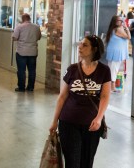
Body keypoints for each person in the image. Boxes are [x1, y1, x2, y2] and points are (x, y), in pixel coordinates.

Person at [49, 35, 111, 168]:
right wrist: (54, 121)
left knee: (86, 162)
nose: (80, 47)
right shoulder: (72, 69)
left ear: (94, 49)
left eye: (84, 45)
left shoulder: (104, 70)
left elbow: (105, 97)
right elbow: (62, 97)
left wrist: (99, 118)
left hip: (92, 125)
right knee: (72, 163)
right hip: (68, 123)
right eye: (80, 44)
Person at [12, 13, 41, 92]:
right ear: (29, 18)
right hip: (33, 52)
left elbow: (14, 38)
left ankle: (21, 87)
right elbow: (39, 37)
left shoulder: (19, 27)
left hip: (21, 52)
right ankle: (30, 87)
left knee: (21, 70)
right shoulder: (36, 27)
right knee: (32, 71)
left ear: (22, 19)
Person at [104, 16, 130, 92]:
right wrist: (126, 28)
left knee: (112, 69)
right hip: (116, 53)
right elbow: (128, 37)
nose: (121, 21)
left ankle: (110, 86)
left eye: (122, 20)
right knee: (114, 69)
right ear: (115, 22)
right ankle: (112, 87)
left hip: (114, 52)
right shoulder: (118, 29)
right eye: (120, 20)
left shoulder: (114, 29)